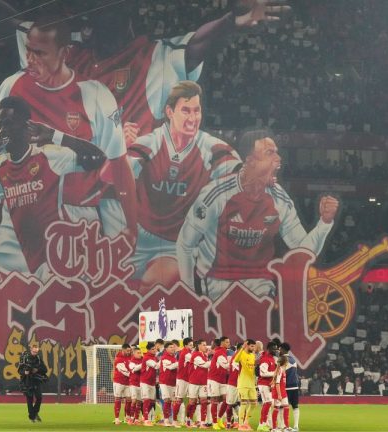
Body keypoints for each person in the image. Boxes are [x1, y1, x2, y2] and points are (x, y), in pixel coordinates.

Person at [14, 1, 290, 135]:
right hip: (67, 205)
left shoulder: (153, 57)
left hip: (127, 202)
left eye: (108, 16)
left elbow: (197, 44)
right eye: (93, 16)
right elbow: (7, 23)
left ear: (129, 23)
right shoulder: (66, 55)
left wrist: (230, 21)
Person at [0, 16, 138, 245]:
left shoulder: (95, 95)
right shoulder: (11, 86)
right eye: (28, 51)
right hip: (22, 211)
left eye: (40, 53)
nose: (30, 60)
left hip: (78, 219)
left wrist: (132, 227)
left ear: (64, 53)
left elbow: (118, 163)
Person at [177, 129, 339, 300]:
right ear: (250, 161)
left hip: (259, 282)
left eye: (277, 152)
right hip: (217, 281)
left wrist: (325, 223)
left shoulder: (280, 199)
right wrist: (189, 292)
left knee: (260, 312)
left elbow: (302, 252)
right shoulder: (216, 194)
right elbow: (185, 244)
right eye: (270, 153)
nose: (278, 158)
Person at [0, 96, 106, 278]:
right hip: (35, 267)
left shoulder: (48, 155)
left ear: (26, 125)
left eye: (9, 124)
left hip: (62, 258)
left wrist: (56, 136)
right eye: (1, 125)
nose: (3, 131)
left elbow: (98, 159)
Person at [127, 81, 240, 292]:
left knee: (158, 284)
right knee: (113, 292)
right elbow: (109, 177)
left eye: (197, 111)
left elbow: (241, 176)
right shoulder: (150, 142)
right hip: (139, 237)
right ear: (170, 112)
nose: (192, 118)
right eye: (186, 110)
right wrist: (117, 148)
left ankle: (166, 325)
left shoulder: (211, 148)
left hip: (176, 243)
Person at [18, 341, 48, 423]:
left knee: (39, 397)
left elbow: (45, 370)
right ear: (30, 350)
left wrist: (37, 370)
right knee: (29, 398)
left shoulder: (38, 358)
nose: (35, 353)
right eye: (34, 351)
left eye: (36, 352)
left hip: (36, 380)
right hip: (27, 380)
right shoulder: (24, 358)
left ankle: (33, 414)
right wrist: (25, 372)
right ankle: (32, 416)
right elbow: (19, 370)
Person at [232, 340, 258, 431]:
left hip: (251, 383)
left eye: (254, 346)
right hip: (243, 383)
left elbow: (252, 369)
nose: (253, 348)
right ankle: (240, 425)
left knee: (254, 404)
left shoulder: (252, 356)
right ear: (247, 346)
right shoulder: (241, 353)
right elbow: (235, 359)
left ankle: (246, 422)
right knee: (243, 403)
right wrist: (242, 348)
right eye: (251, 346)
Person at [207, 336, 230, 430]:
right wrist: (233, 361)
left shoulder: (223, 352)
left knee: (226, 400)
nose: (229, 343)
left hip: (222, 380)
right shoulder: (220, 352)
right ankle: (214, 422)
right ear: (222, 343)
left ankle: (219, 419)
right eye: (227, 342)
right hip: (214, 379)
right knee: (215, 401)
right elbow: (225, 366)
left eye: (229, 342)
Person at [187, 339, 210, 428]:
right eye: (204, 345)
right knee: (192, 402)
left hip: (203, 382)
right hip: (194, 382)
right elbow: (204, 365)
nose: (205, 346)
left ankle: (202, 422)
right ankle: (188, 420)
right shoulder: (196, 355)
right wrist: (214, 361)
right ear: (199, 346)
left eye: (206, 345)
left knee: (204, 402)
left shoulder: (205, 355)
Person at [172, 337, 194, 425]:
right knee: (179, 400)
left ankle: (188, 420)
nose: (192, 347)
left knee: (192, 400)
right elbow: (194, 359)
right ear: (185, 345)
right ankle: (174, 421)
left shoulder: (188, 352)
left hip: (189, 379)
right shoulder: (185, 353)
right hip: (182, 379)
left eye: (192, 345)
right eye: (190, 345)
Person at [257, 342, 277, 432]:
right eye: (274, 349)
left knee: (268, 404)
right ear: (268, 349)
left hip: (268, 384)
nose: (275, 350)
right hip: (263, 384)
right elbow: (262, 373)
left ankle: (264, 424)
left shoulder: (271, 358)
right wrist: (274, 373)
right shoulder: (265, 359)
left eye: (276, 348)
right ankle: (261, 425)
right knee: (267, 403)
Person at [279, 342, 300, 432]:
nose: (279, 350)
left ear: (283, 349)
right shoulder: (293, 359)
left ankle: (283, 425)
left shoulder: (282, 359)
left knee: (281, 407)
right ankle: (296, 426)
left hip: (285, 387)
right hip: (294, 386)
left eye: (280, 349)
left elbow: (280, 374)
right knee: (295, 406)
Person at [139, 341, 160, 426]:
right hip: (145, 382)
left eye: (155, 348)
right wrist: (164, 360)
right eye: (153, 349)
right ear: (148, 350)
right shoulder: (146, 358)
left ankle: (145, 417)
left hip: (152, 382)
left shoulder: (154, 357)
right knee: (146, 400)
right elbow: (156, 366)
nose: (155, 350)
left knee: (152, 401)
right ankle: (146, 419)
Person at [158, 341, 179, 427]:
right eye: (170, 347)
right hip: (164, 382)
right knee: (166, 400)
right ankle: (166, 420)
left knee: (174, 401)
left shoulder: (174, 358)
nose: (173, 348)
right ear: (166, 349)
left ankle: (174, 420)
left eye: (173, 347)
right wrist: (179, 362)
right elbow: (170, 367)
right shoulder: (164, 358)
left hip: (173, 382)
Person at [112, 343, 132, 425]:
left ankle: (127, 417)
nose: (129, 352)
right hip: (119, 382)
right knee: (118, 399)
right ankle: (116, 418)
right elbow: (124, 371)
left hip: (128, 382)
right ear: (123, 349)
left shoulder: (130, 357)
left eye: (130, 350)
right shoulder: (118, 359)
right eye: (127, 350)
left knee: (129, 399)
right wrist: (134, 376)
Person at [127, 346, 143, 424]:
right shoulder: (131, 361)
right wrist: (143, 364)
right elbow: (134, 369)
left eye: (140, 353)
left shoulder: (143, 360)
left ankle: (136, 419)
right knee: (133, 400)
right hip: (133, 383)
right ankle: (131, 418)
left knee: (139, 402)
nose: (140, 354)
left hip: (141, 383)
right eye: (138, 353)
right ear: (134, 353)